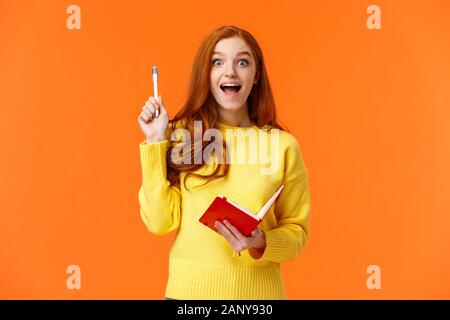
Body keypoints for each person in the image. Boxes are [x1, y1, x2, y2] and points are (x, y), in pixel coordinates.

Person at [137, 25, 311, 300]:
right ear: (206, 75)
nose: (230, 71)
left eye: (242, 62)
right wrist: (155, 140)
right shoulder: (180, 135)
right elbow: (159, 222)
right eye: (217, 62)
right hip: (187, 297)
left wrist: (262, 242)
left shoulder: (282, 146)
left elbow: (297, 231)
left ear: (255, 76)